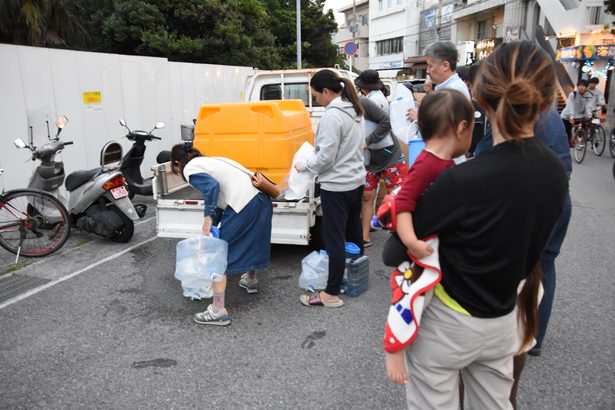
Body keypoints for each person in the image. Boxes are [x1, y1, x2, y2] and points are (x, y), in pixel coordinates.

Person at [385, 40, 568, 409]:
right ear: (546, 99)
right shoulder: (555, 172)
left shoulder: (460, 181)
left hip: (450, 323)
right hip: (507, 319)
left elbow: (394, 252)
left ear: (481, 98)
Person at [474, 105, 573, 408]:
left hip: (529, 199)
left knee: (520, 267)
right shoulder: (548, 110)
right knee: (544, 265)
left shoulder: (512, 109)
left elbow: (482, 157)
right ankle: (533, 338)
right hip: (557, 197)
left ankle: (513, 339)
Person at [384, 88, 474, 385]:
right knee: (410, 295)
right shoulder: (429, 162)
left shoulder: (441, 162)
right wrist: (411, 241)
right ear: (462, 128)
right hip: (418, 244)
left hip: (428, 241)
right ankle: (394, 348)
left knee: (423, 295)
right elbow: (404, 204)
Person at [170, 144, 273, 326]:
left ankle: (218, 311)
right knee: (254, 239)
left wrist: (208, 218)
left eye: (175, 168)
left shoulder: (190, 169)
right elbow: (221, 198)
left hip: (243, 204)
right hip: (262, 199)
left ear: (177, 163)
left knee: (220, 255)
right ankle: (250, 280)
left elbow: (212, 188)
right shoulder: (214, 161)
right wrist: (215, 221)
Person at [295, 69, 366, 308]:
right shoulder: (355, 109)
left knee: (334, 239)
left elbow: (325, 158)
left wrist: (303, 165)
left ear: (326, 92)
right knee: (353, 233)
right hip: (355, 180)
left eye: (316, 96)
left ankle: (331, 293)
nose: (316, 101)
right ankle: (354, 278)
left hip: (336, 185)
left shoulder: (331, 117)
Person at [360, 96, 407, 248]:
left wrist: (369, 140)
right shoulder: (340, 111)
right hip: (367, 160)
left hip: (390, 155)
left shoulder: (363, 102)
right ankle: (364, 236)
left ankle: (402, 235)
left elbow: (387, 121)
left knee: (396, 195)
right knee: (367, 196)